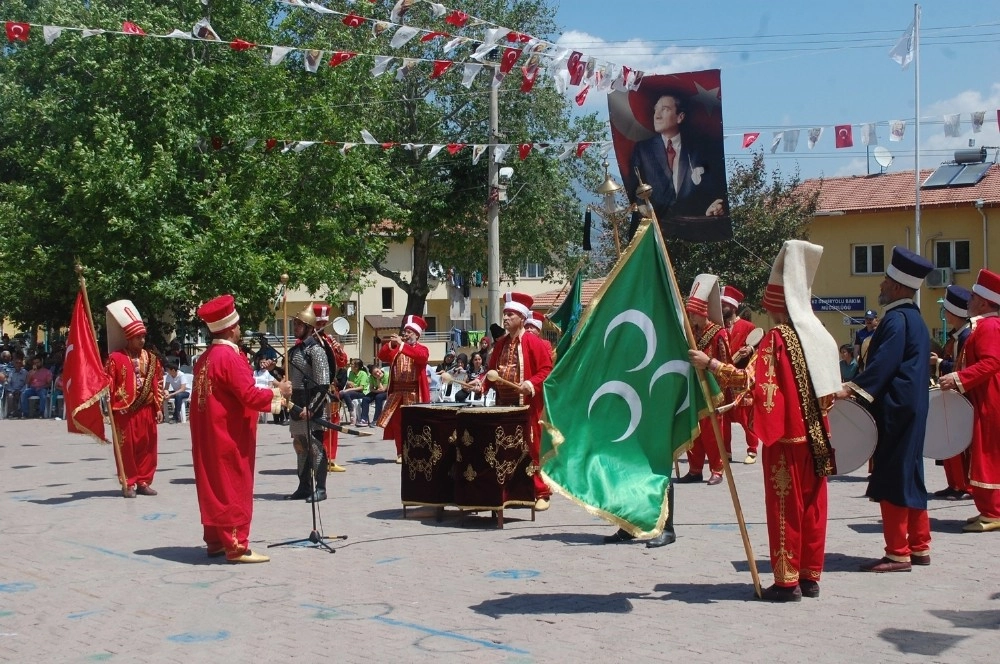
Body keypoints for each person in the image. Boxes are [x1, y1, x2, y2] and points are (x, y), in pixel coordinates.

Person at [691, 240, 841, 602]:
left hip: (788, 437)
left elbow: (753, 381)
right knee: (814, 506)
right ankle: (809, 576)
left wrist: (710, 365)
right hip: (818, 436)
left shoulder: (779, 338)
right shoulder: (819, 333)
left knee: (786, 508)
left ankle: (787, 582)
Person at [838, 246, 934, 572]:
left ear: (896, 286)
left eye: (884, 281)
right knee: (911, 474)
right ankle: (919, 546)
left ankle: (898, 552)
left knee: (893, 477)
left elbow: (882, 366)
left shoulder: (895, 319)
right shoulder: (916, 319)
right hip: (913, 408)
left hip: (895, 410)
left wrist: (850, 388)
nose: (880, 286)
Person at [189, 294, 291, 563]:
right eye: (237, 325)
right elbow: (248, 395)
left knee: (213, 485)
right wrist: (279, 392)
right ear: (230, 328)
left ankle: (215, 541)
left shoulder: (205, 358)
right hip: (229, 435)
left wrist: (270, 389)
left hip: (208, 434)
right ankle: (236, 544)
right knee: (233, 485)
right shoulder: (230, 357)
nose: (239, 330)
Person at [939, 270, 1000, 532]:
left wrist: (959, 377)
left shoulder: (988, 326)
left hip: (989, 399)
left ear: (985, 302)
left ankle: (994, 511)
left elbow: (992, 361)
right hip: (981, 397)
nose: (969, 300)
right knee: (981, 453)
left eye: (974, 296)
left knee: (987, 454)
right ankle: (987, 509)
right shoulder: (983, 325)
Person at [483, 293, 554, 511]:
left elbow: (546, 370)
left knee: (531, 448)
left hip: (527, 406)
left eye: (510, 314)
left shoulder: (534, 342)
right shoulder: (501, 343)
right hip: (503, 405)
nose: (505, 318)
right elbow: (491, 372)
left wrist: (531, 384)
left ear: (522, 318)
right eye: (504, 314)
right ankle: (510, 491)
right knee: (504, 448)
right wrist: (481, 384)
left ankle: (542, 492)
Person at [624, 93, 726, 226]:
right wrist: (641, 206)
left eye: (665, 109)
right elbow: (633, 187)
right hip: (656, 226)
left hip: (694, 227)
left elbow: (714, 189)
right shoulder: (643, 150)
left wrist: (713, 206)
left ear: (680, 117)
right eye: (656, 109)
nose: (657, 115)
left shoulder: (699, 150)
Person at [105, 300, 163, 498]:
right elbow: (109, 383)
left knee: (147, 447)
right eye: (138, 337)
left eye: (143, 336)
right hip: (124, 410)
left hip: (146, 409)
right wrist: (108, 403)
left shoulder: (153, 358)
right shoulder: (116, 358)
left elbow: (158, 383)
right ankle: (128, 483)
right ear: (128, 338)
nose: (142, 340)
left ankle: (144, 481)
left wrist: (159, 406)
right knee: (126, 448)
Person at [677, 274, 731, 486]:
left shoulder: (718, 334)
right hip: (693, 389)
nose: (691, 319)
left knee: (712, 433)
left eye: (693, 315)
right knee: (695, 431)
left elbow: (726, 362)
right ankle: (695, 469)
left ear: (702, 313)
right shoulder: (693, 333)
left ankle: (717, 469)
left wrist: (724, 393)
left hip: (713, 391)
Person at [285, 305, 332, 502]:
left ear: (310, 328)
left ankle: (320, 488)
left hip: (313, 404)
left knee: (315, 448)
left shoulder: (316, 351)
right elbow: (289, 379)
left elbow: (323, 384)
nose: (295, 327)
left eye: (299, 324)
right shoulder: (294, 350)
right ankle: (304, 486)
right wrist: (272, 371)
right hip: (296, 403)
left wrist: (312, 408)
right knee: (300, 447)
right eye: (294, 324)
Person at [930, 285, 972, 500]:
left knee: (958, 443)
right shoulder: (956, 335)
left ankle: (963, 485)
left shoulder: (966, 336)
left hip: (962, 396)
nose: (944, 313)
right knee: (948, 441)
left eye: (946, 310)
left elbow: (962, 366)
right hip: (951, 395)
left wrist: (939, 364)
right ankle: (954, 483)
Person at [377, 315, 430, 463]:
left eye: (409, 332)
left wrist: (401, 345)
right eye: (405, 331)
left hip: (414, 393)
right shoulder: (398, 349)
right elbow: (381, 356)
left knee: (414, 423)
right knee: (397, 424)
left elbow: (420, 357)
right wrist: (391, 344)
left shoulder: (422, 349)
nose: (405, 334)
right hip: (397, 392)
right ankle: (400, 452)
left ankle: (415, 451)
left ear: (416, 335)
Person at [722, 285, 761, 464]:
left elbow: (761, 348)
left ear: (733, 307)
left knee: (746, 416)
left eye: (724, 304)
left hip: (741, 379)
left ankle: (752, 450)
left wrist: (751, 349)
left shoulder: (748, 326)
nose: (721, 307)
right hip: (723, 378)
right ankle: (726, 452)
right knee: (724, 418)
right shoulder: (718, 328)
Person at [312, 303, 349, 473]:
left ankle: (330, 459)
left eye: (323, 324)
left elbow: (342, 362)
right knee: (316, 425)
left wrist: (339, 349)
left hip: (331, 388)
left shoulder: (328, 340)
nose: (321, 327)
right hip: (313, 388)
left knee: (333, 423)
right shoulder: (305, 341)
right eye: (318, 323)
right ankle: (316, 460)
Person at [340, 359, 370, 423]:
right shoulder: (351, 373)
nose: (350, 365)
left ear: (356, 367)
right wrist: (348, 384)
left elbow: (361, 388)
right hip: (354, 392)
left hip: (362, 393)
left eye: (352, 364)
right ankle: (339, 414)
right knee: (340, 394)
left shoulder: (363, 374)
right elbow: (351, 385)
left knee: (346, 394)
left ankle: (352, 412)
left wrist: (348, 389)